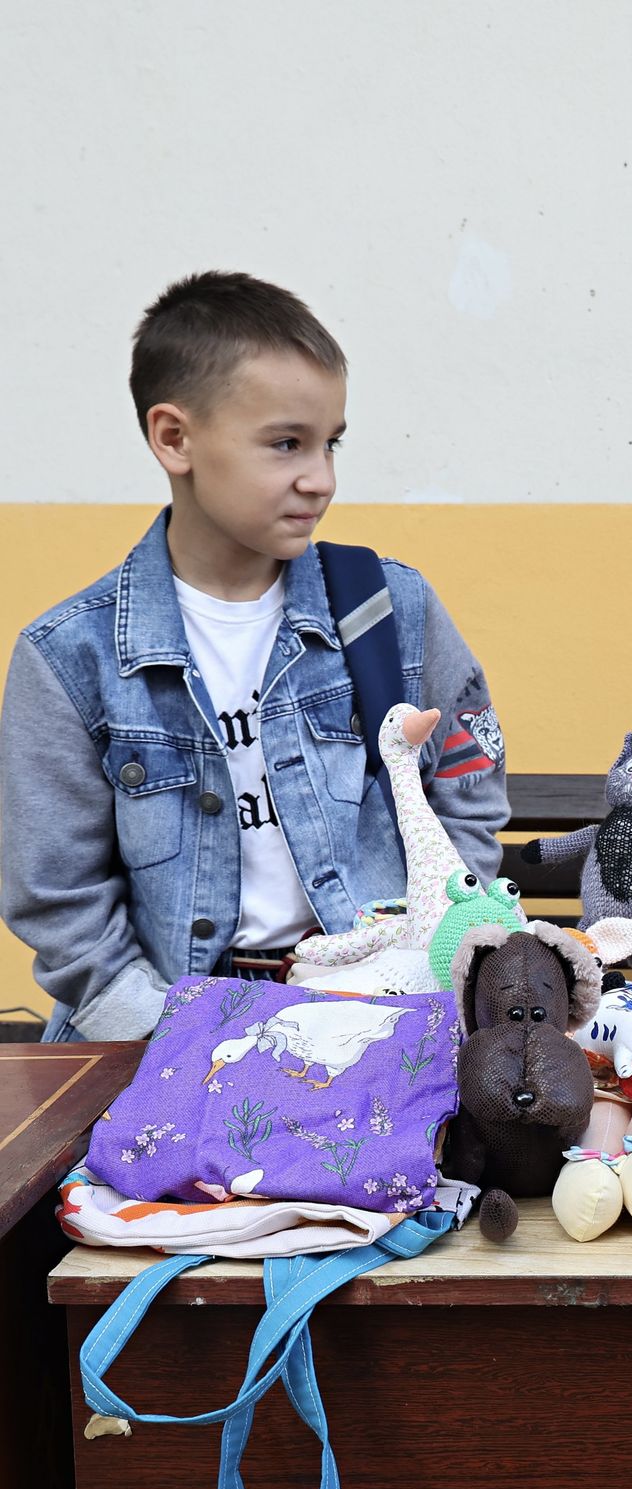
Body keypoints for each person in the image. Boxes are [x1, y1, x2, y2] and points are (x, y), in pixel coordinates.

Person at [0, 271, 508, 1042]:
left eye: (331, 443)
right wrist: (179, 1044)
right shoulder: (70, 658)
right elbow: (58, 901)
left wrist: (429, 961)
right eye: (285, 444)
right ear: (175, 438)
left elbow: (468, 791)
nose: (321, 479)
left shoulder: (388, 609)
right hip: (163, 1034)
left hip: (377, 1017)